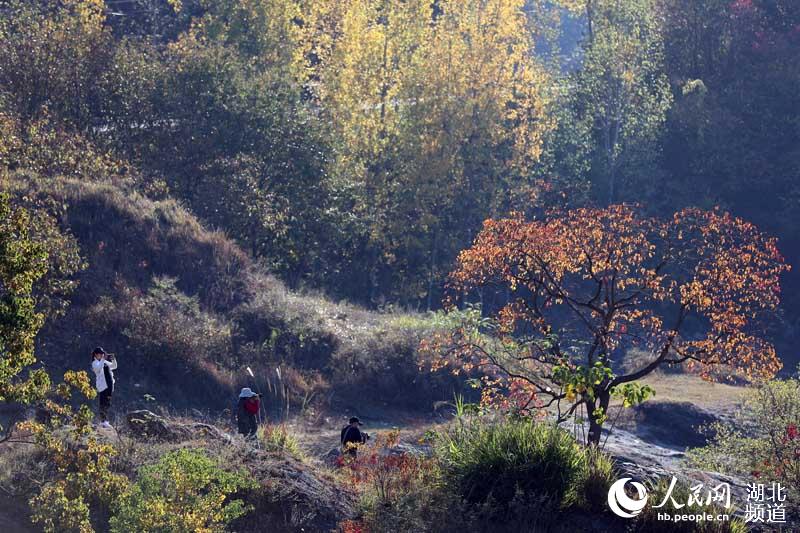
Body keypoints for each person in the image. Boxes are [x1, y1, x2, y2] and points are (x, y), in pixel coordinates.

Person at [91, 347, 117, 428]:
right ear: (95, 355)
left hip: (109, 385)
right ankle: (103, 421)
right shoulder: (94, 363)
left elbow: (114, 366)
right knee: (102, 403)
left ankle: (105, 420)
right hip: (102, 386)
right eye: (100, 354)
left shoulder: (104, 362)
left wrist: (113, 359)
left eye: (102, 354)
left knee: (107, 403)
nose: (101, 355)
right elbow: (98, 368)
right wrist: (103, 359)